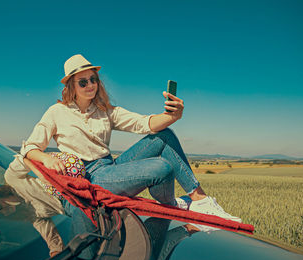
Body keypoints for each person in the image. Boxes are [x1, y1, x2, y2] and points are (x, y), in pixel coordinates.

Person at [22, 54, 241, 223]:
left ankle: (200, 200)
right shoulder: (56, 112)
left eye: (93, 79)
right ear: (71, 86)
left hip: (110, 166)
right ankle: (172, 204)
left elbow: (144, 123)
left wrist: (172, 116)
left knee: (164, 135)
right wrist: (47, 159)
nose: (90, 85)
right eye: (83, 82)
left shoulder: (105, 110)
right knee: (162, 168)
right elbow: (30, 147)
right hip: (90, 176)